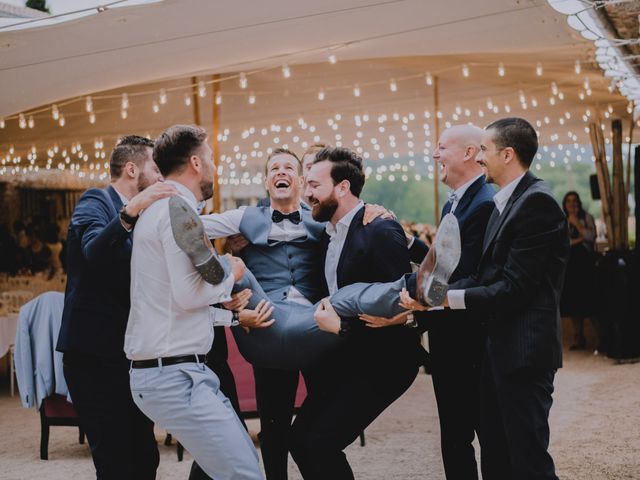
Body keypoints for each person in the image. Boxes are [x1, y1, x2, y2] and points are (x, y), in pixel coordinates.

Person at [406, 117, 569, 480]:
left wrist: (447, 299)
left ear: (507, 154)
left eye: (485, 150)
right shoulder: (504, 203)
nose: (479, 159)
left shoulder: (537, 203)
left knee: (528, 461)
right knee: (498, 456)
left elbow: (513, 288)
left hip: (525, 351)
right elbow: (485, 276)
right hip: (499, 349)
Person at [124, 125, 263, 480]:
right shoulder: (177, 211)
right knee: (244, 473)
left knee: (238, 461)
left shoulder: (164, 210)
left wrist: (228, 316)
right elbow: (188, 296)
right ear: (197, 163)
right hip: (173, 375)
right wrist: (231, 272)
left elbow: (171, 301)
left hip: (180, 371)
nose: (216, 167)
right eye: (212, 159)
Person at [360, 124, 496, 479]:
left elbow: (471, 275)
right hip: (451, 337)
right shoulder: (460, 200)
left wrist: (419, 305)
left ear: (469, 153)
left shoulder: (482, 204)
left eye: (441, 148)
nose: (436, 155)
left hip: (470, 340)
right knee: (455, 436)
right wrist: (405, 239)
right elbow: (443, 261)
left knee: (477, 437)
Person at [289, 146, 423, 479]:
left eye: (315, 186)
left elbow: (400, 309)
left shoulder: (379, 229)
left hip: (385, 363)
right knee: (298, 439)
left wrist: (343, 328)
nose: (307, 193)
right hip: (347, 358)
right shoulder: (327, 235)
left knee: (320, 443)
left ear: (343, 187)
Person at [57, 135, 176, 479]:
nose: (160, 176)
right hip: (93, 355)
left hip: (131, 353)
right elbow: (94, 251)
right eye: (156, 168)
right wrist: (133, 209)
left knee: (144, 456)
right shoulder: (97, 200)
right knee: (113, 459)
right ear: (131, 169)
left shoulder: (150, 216)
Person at [560, 191, 597, 350]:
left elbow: (591, 237)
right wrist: (579, 239)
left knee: (589, 299)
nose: (572, 203)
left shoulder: (587, 217)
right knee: (573, 302)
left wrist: (577, 224)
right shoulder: (561, 219)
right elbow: (561, 244)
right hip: (569, 267)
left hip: (585, 266)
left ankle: (598, 338)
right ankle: (577, 336)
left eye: (575, 200)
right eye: (568, 201)